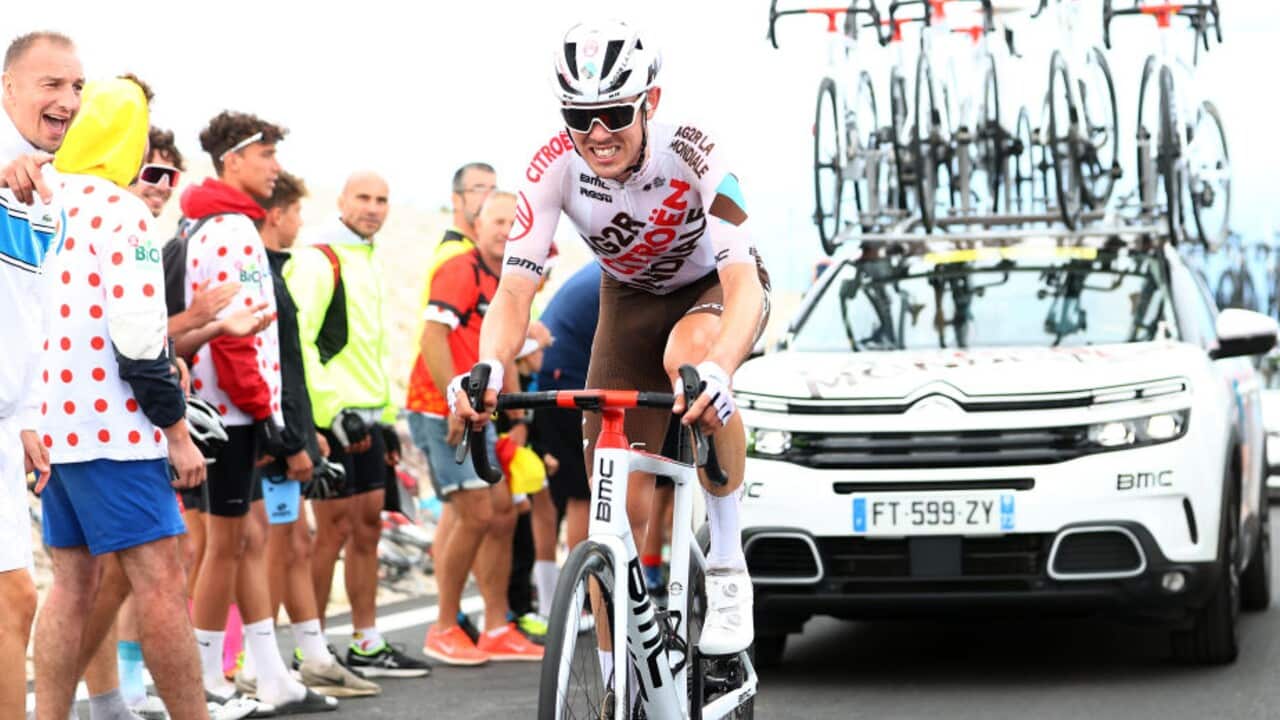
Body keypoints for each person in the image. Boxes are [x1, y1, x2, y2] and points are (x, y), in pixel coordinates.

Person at [452, 20, 770, 660]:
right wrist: (488, 363)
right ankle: (611, 674)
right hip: (627, 301)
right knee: (613, 510)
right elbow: (515, 290)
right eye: (580, 115)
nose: (597, 134)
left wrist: (723, 369)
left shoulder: (696, 152)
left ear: (649, 101)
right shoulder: (553, 167)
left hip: (713, 288)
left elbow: (744, 284)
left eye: (615, 113)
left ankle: (731, 564)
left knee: (691, 361)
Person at [33, 76, 208, 720]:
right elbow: (138, 339)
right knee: (161, 580)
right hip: (114, 428)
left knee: (72, 585)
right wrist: (176, 430)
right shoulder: (122, 209)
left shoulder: (40, 199)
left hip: (49, 424)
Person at [182, 110, 335, 714]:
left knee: (242, 540)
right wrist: (270, 419)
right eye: (265, 155)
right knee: (224, 545)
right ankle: (202, 678)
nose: (275, 167)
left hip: (232, 412)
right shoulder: (229, 231)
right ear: (233, 161)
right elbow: (238, 338)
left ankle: (268, 675)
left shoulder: (222, 224)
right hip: (230, 416)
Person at [285, 171, 430, 677]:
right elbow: (299, 343)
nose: (373, 208)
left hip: (370, 417)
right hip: (335, 421)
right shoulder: (319, 258)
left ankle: (367, 644)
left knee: (369, 526)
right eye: (363, 198)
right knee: (332, 532)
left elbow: (367, 348)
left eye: (382, 200)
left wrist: (388, 420)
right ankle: (312, 649)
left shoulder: (367, 258)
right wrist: (325, 416)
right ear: (342, 200)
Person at [246, 170, 380, 697]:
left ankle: (305, 657)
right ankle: (259, 662)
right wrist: (303, 431)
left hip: (298, 426)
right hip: (280, 431)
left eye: (381, 198)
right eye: (297, 211)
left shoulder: (294, 264)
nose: (304, 221)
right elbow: (288, 355)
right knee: (263, 544)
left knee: (293, 540)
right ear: (278, 215)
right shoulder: (309, 262)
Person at [413, 191, 544, 665]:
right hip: (441, 407)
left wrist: (517, 420)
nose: (507, 230)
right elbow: (432, 336)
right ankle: (444, 627)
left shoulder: (507, 280)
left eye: (515, 222)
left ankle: (495, 627)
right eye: (497, 221)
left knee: (503, 512)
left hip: (482, 407)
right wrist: (453, 399)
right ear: (477, 223)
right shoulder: (460, 268)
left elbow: (502, 352)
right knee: (474, 514)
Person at [0, 30, 81, 720]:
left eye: (76, 86)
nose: (68, 99)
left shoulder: (45, 193)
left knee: (13, 598)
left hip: (4, 426)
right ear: (8, 89)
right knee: (14, 596)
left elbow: (25, 316)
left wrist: (27, 418)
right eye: (51, 84)